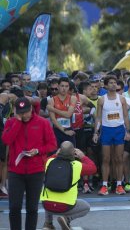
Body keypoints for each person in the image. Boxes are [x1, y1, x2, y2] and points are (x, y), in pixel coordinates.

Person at [2, 97, 57, 230]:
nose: (24, 115)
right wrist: (17, 122)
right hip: (16, 171)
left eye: (26, 111)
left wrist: (38, 151)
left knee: (32, 208)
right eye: (21, 112)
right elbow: (6, 140)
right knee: (14, 207)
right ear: (16, 111)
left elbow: (52, 145)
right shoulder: (11, 122)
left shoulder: (42, 122)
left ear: (31, 109)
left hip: (36, 170)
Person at [41, 141, 97, 230]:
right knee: (86, 207)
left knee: (49, 196)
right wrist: (83, 156)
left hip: (47, 205)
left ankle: (48, 224)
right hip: (65, 206)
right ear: (73, 153)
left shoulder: (49, 162)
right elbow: (93, 168)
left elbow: (47, 160)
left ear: (59, 151)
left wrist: (56, 154)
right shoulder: (77, 166)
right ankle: (66, 219)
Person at [93, 75, 130, 196]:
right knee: (106, 159)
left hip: (119, 130)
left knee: (119, 159)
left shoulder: (122, 99)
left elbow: (125, 116)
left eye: (115, 82)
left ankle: (119, 185)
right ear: (105, 85)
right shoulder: (102, 100)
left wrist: (128, 131)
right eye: (110, 83)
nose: (113, 84)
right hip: (106, 130)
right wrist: (96, 132)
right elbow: (98, 117)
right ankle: (105, 185)